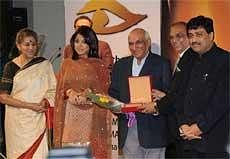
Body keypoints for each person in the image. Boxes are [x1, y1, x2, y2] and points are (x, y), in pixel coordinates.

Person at [109, 28, 171, 159]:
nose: (134, 47)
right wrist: (118, 107)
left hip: (154, 130)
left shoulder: (162, 64)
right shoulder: (120, 65)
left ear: (148, 43)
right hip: (128, 129)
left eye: (138, 43)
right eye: (130, 43)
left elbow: (170, 96)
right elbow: (113, 92)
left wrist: (155, 107)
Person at [53, 26, 112, 159]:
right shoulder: (66, 64)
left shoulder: (99, 66)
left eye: (84, 41)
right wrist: (69, 93)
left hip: (91, 118)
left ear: (91, 44)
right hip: (70, 117)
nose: (80, 45)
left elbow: (106, 98)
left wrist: (89, 96)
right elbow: (59, 91)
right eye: (77, 41)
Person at [175, 15, 229, 158]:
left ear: (211, 35)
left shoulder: (225, 61)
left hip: (214, 141)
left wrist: (199, 127)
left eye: (199, 35)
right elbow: (180, 95)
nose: (193, 40)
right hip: (187, 140)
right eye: (191, 35)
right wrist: (183, 124)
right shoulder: (188, 61)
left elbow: (222, 101)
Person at [0, 28, 56, 158]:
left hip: (38, 120)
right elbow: (3, 97)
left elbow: (53, 89)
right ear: (19, 46)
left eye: (33, 44)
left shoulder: (44, 65)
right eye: (26, 44)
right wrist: (30, 106)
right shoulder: (11, 66)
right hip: (17, 122)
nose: (30, 48)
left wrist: (45, 101)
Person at [151, 21, 191, 158]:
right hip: (178, 129)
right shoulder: (182, 58)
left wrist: (156, 106)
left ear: (189, 36)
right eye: (171, 37)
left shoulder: (191, 59)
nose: (174, 40)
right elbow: (179, 92)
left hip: (186, 127)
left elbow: (183, 96)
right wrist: (165, 96)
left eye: (179, 36)